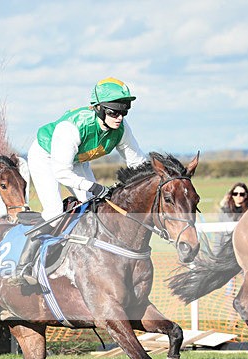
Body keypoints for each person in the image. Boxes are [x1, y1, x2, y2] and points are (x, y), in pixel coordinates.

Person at [13, 77, 148, 286]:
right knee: (55, 212)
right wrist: (93, 186)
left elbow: (137, 161)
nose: (119, 117)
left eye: (124, 111)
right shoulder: (72, 128)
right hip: (47, 158)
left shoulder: (121, 128)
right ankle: (24, 266)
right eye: (113, 112)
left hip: (76, 160)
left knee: (96, 210)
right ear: (98, 109)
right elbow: (61, 172)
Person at [214, 182, 248, 256]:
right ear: (231, 195)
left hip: (246, 251)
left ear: (246, 196)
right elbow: (220, 235)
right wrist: (216, 254)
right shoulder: (225, 211)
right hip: (228, 251)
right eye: (235, 193)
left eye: (242, 194)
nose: (238, 196)